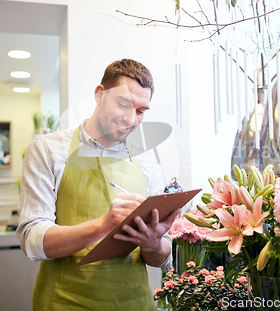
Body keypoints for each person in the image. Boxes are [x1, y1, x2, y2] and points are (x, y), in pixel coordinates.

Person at [17, 59, 180, 311]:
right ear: (100, 95)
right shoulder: (48, 149)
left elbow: (162, 259)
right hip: (65, 302)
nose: (130, 119)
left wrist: (152, 243)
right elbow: (32, 240)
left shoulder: (147, 159)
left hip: (134, 303)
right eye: (123, 104)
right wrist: (103, 225)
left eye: (140, 111)